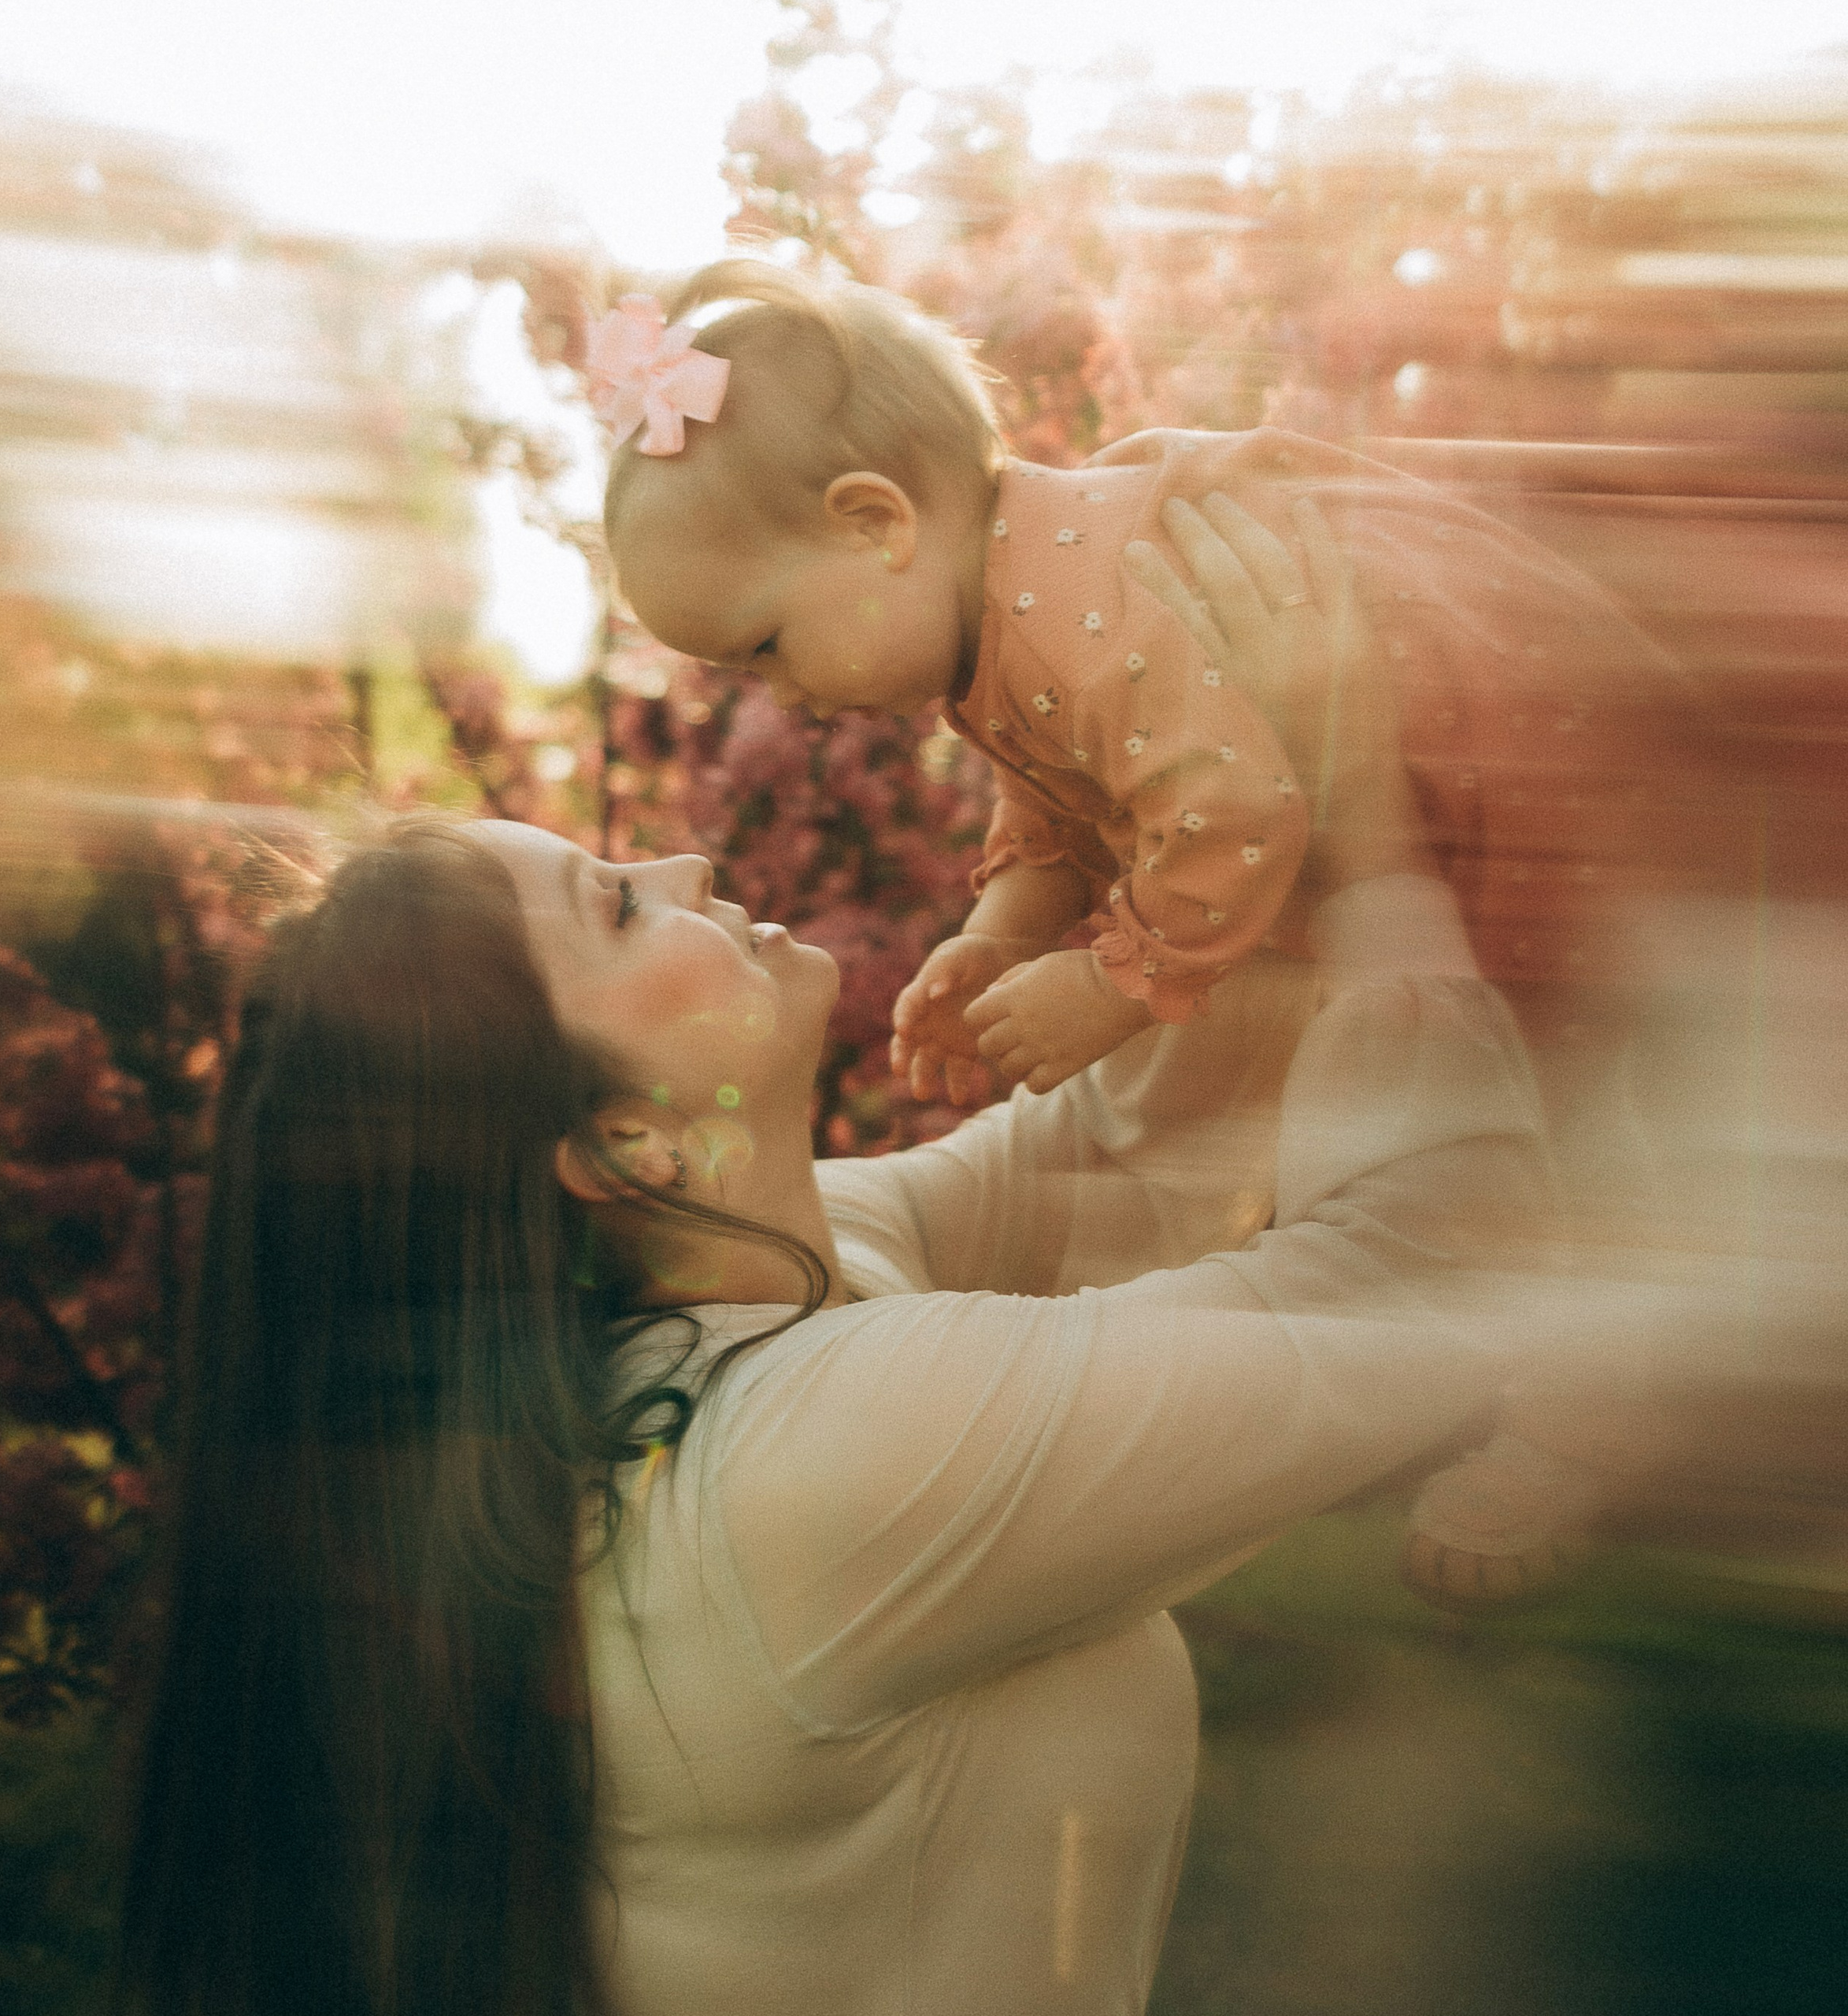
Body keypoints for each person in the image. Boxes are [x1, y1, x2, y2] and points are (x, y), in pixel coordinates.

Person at [115, 520, 1553, 2016]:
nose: (683, 859)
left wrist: (1214, 817)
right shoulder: (800, 1469)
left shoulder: (737, 1317)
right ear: (618, 1142)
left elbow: (1120, 1154)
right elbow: (1424, 1287)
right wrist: (1368, 832)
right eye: (618, 905)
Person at [598, 262, 1686, 1104]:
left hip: (1494, 742)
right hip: (1428, 781)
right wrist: (1002, 931)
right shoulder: (1009, 611)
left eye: (767, 645)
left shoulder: (1093, 600)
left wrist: (1117, 983)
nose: (781, 698)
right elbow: (1067, 796)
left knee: (1601, 1026)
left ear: (876, 524)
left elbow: (1233, 808)